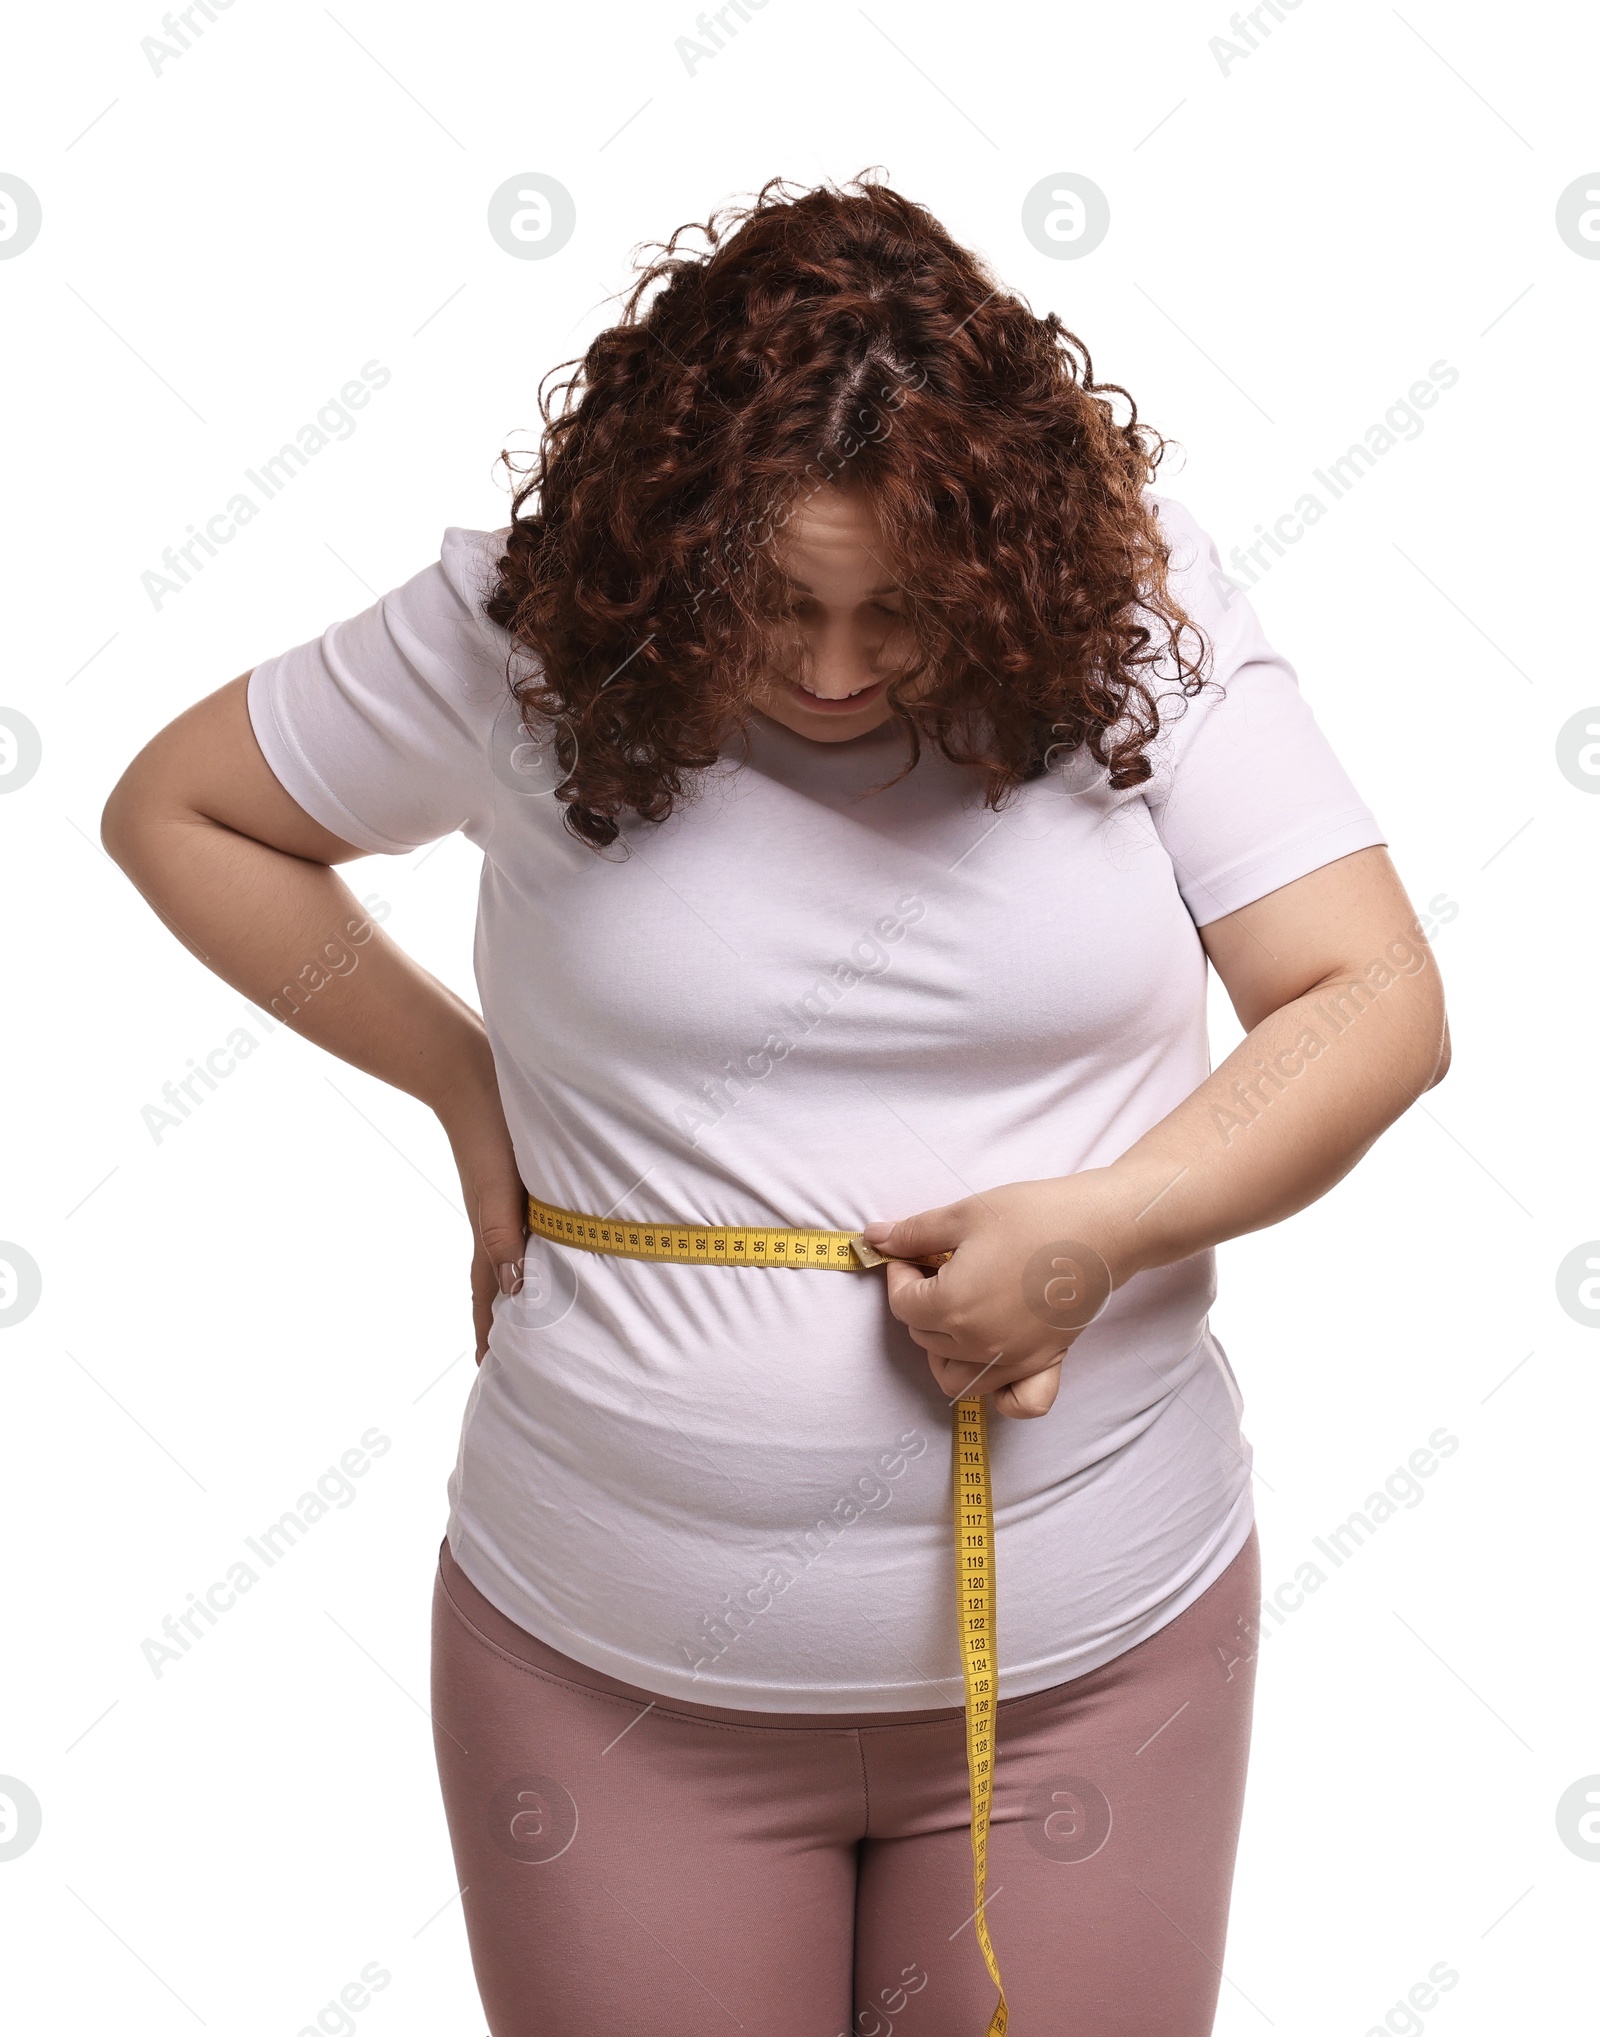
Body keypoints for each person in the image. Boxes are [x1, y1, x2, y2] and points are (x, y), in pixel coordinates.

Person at [101, 175, 1450, 2036]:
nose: (829, 672)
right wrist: (467, 1091)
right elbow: (184, 814)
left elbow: (1371, 995)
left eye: (898, 611)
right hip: (611, 1678)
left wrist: (1104, 1227)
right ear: (671, 547)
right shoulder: (527, 631)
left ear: (1000, 559)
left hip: (1094, 1668)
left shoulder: (1138, 609)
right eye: (772, 604)